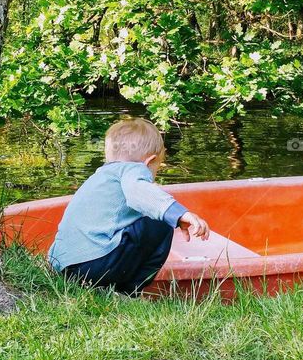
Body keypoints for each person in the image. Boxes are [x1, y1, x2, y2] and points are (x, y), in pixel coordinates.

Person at [48, 117, 210, 295]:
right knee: (161, 223)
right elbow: (140, 192)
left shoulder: (100, 176)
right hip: (93, 266)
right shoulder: (133, 169)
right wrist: (178, 215)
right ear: (150, 162)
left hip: (63, 267)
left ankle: (106, 288)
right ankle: (129, 291)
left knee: (148, 215)